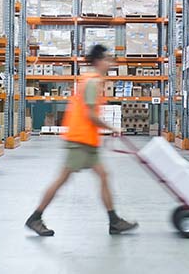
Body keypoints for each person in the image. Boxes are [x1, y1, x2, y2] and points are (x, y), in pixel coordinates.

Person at [25, 44, 138, 236]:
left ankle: (114, 221)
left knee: (103, 175)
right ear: (98, 61)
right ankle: (35, 217)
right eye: (107, 59)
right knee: (62, 179)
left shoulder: (94, 81)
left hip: (87, 141)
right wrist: (113, 128)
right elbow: (91, 116)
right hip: (79, 141)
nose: (110, 63)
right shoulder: (92, 82)